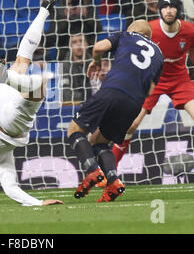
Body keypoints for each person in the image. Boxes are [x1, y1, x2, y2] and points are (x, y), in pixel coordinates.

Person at [111, 0, 194, 189]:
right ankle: (110, 174)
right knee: (130, 126)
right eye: (165, 7)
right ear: (159, 10)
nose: (169, 10)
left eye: (172, 7)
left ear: (178, 10)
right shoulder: (149, 29)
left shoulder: (190, 30)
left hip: (180, 80)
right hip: (153, 81)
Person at [0, 0, 63, 206]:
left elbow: (11, 188)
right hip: (2, 111)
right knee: (24, 65)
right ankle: (44, 11)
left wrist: (37, 203)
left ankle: (0, 75)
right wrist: (39, 203)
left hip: (3, 115)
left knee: (34, 79)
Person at [67, 19, 163, 203]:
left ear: (134, 30)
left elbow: (97, 48)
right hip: (134, 104)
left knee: (74, 130)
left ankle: (92, 171)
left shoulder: (126, 35)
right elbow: (152, 88)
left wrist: (95, 62)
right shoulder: (159, 54)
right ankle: (113, 181)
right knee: (99, 141)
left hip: (113, 90)